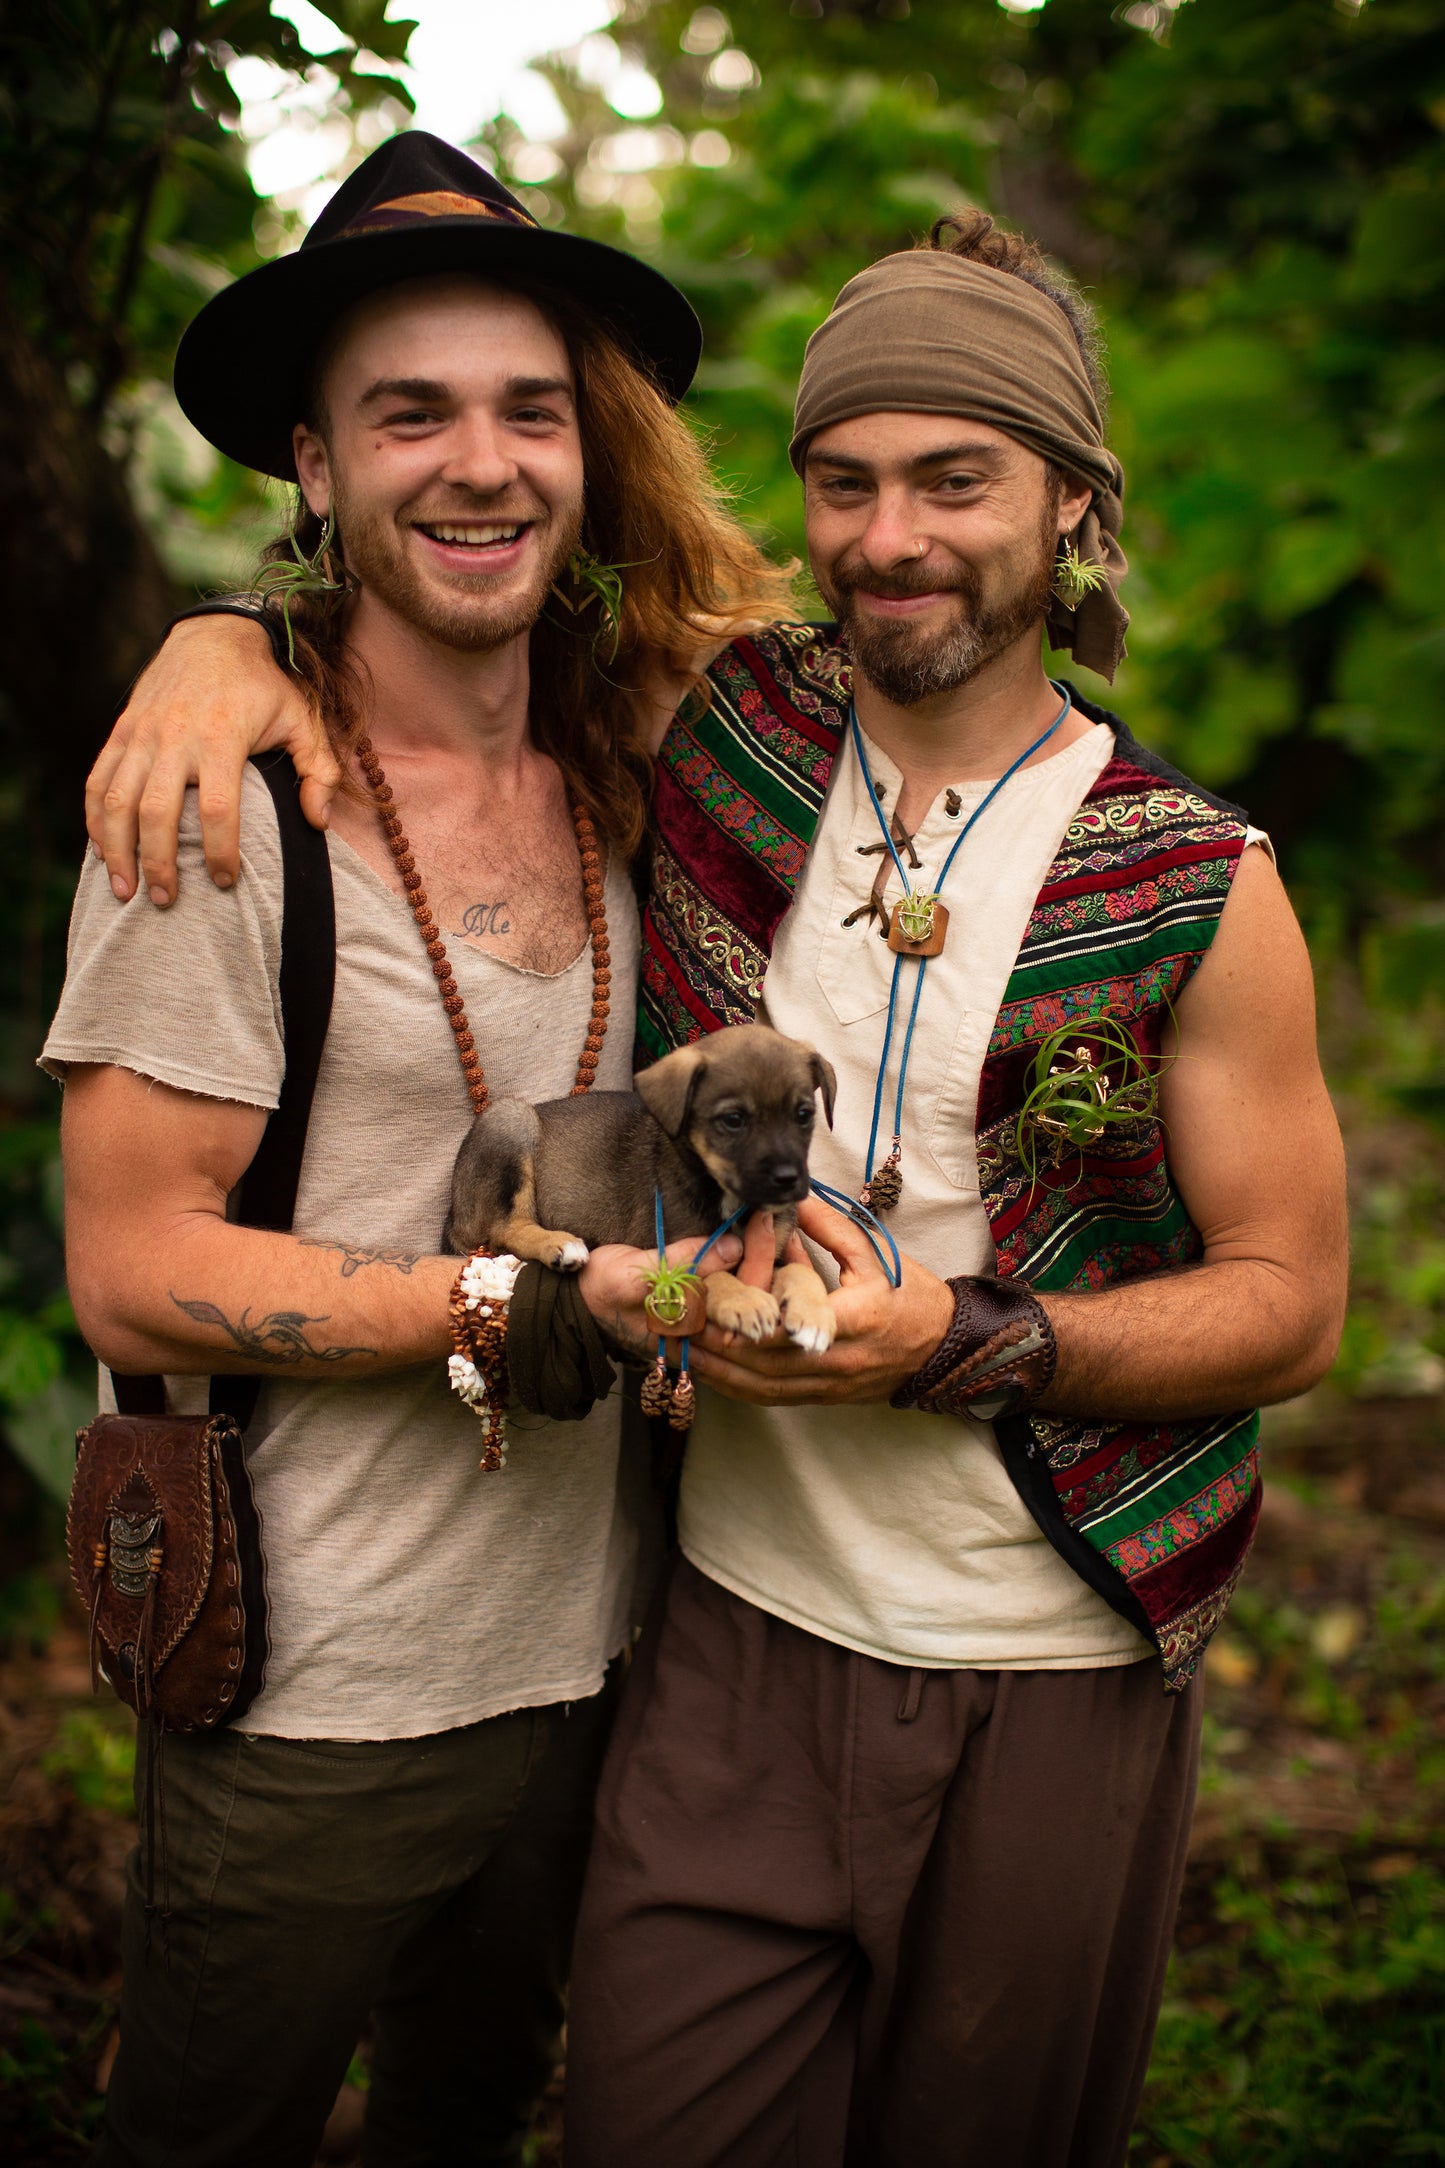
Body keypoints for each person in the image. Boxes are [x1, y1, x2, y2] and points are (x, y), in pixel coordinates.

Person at [88, 211, 1348, 2166]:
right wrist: (222, 635)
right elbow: (436, 608)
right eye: (844, 481)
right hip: (711, 1626)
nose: (892, 535)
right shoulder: (736, 739)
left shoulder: (1192, 880)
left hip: (1032, 1647)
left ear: (1078, 508)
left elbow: (1293, 1302)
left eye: (959, 479)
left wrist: (966, 1337)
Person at [43, 131, 790, 2168]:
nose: (482, 463)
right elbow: (129, 1263)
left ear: (589, 446)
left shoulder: (640, 762)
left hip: (606, 1661)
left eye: (529, 410)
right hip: (319, 1696)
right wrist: (511, 1300)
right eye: (413, 413)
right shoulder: (217, 811)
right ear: (315, 459)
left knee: (469, 2122)